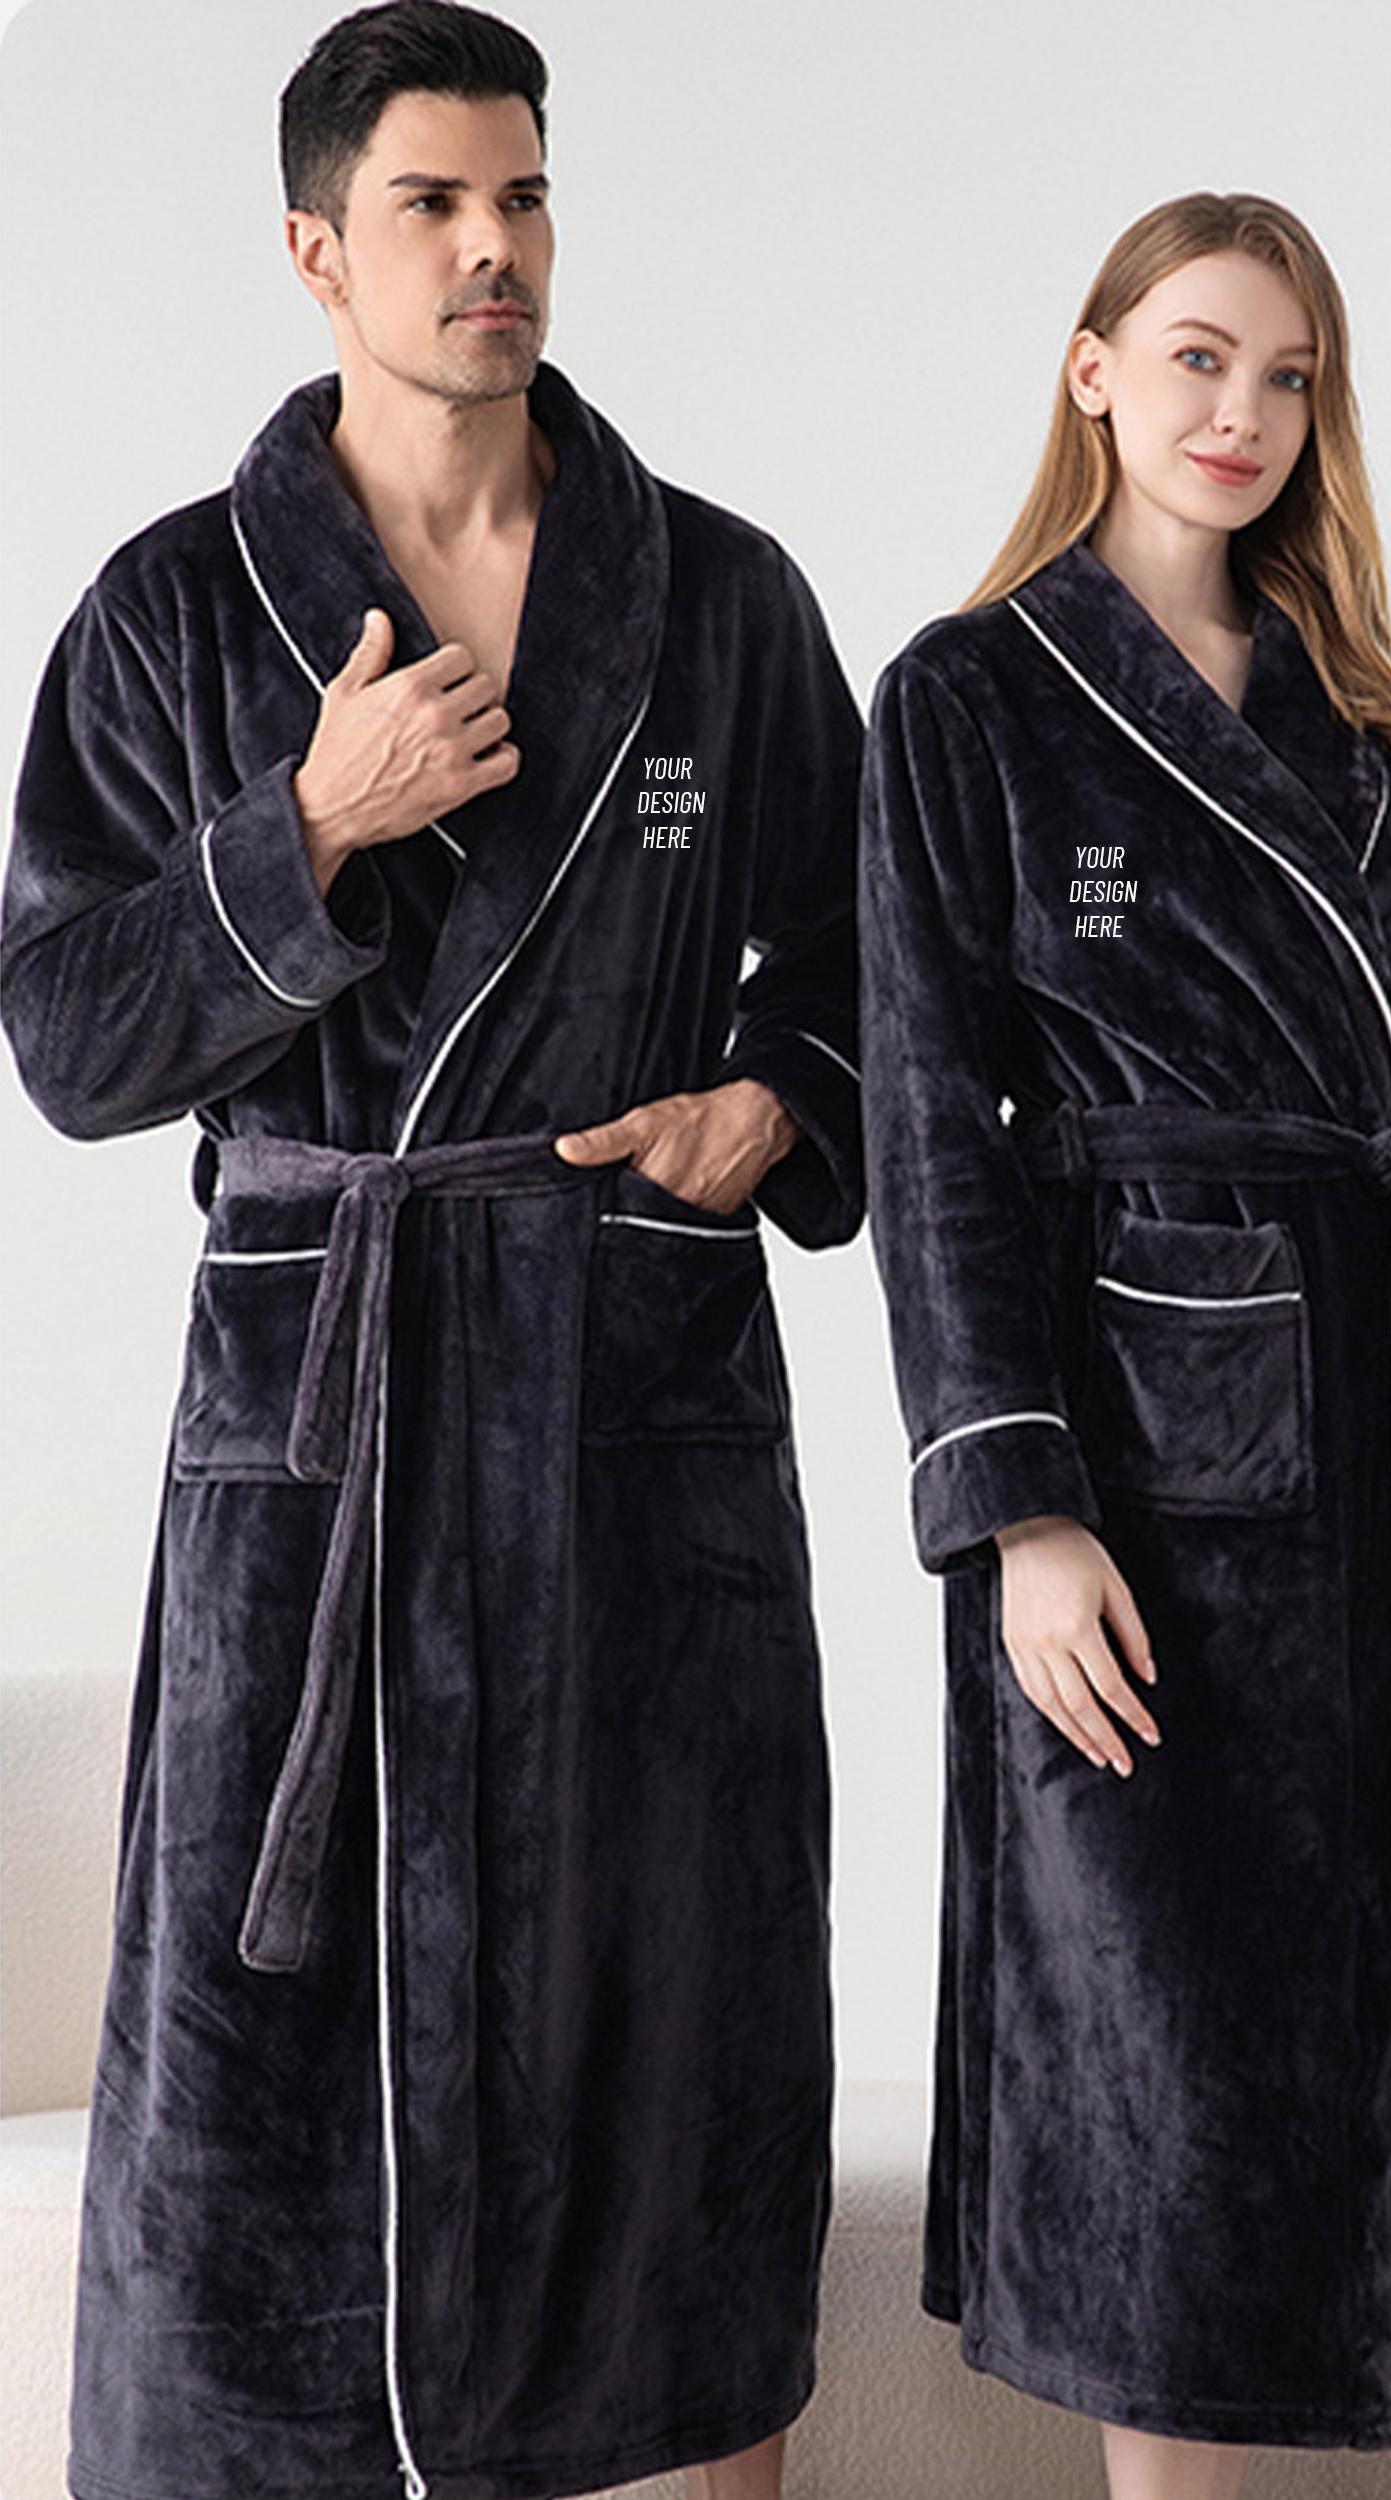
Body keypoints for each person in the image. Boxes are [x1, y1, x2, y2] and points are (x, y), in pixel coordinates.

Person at [0, 7, 863, 2497]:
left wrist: (774, 1097)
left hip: (631, 1412)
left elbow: (863, 963)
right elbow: (66, 1035)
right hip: (323, 1429)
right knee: (273, 2091)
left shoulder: (717, 600)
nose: (496, 248)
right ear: (315, 249)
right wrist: (304, 829)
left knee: (676, 2032)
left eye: (524, 196)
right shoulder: (175, 611)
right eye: (433, 204)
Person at [857, 188, 1391, 2500]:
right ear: (1091, 373)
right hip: (1147, 1470)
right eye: (1193, 356)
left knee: (1360, 2031)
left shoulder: (1379, 698)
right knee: (1167, 2065)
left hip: (1384, 1466)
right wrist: (1019, 1507)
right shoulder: (968, 697)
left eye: (1284, 375)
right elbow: (928, 1123)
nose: (1239, 412)